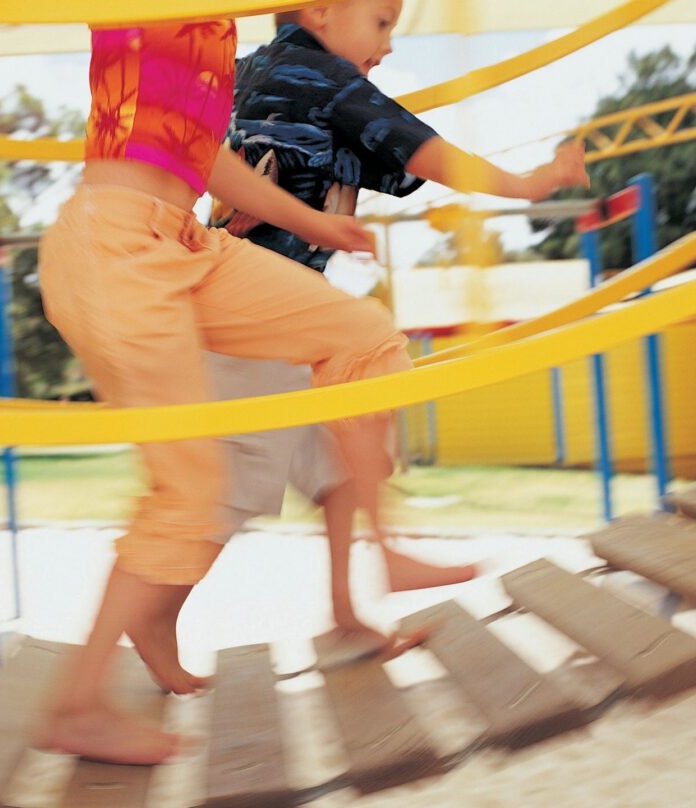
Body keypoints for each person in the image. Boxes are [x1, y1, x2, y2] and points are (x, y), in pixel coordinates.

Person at [35, 18, 417, 764]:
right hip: (115, 247)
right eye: (379, 20)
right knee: (192, 489)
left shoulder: (216, 35)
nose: (387, 35)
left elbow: (201, 155)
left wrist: (313, 222)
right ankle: (77, 704)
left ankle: (384, 545)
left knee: (364, 337)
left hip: (187, 243)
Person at [200, 0, 591, 663]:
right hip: (251, 322)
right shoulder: (325, 79)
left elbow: (383, 156)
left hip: (258, 314)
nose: (387, 45)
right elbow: (426, 153)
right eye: (381, 23)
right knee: (213, 503)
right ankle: (148, 618)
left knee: (345, 470)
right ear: (322, 12)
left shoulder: (251, 74)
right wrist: (532, 184)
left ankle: (352, 608)